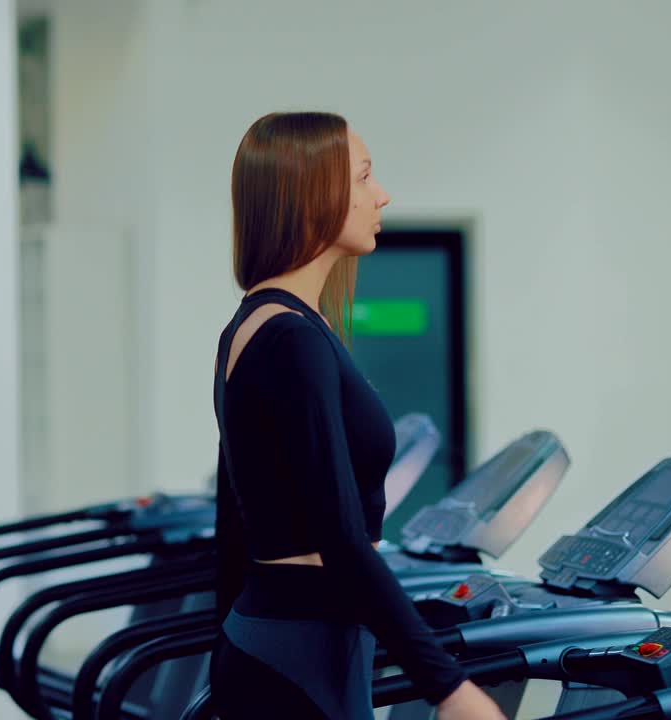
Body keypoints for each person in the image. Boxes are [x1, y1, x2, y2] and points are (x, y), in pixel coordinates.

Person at [211, 112, 507, 720]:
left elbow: (233, 524)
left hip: (289, 643)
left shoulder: (261, 324)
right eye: (366, 177)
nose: (383, 195)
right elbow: (343, 543)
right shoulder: (291, 337)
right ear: (312, 195)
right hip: (298, 652)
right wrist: (451, 692)